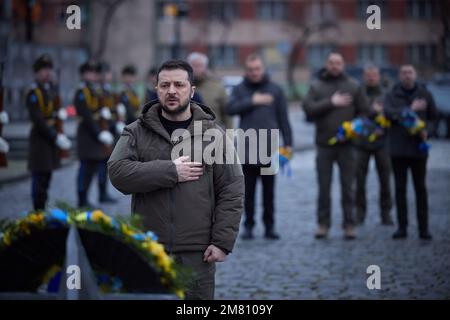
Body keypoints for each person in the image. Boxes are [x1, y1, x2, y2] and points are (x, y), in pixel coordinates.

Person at [108, 60, 244, 300]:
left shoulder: (215, 134)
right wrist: (170, 171)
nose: (171, 91)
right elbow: (118, 173)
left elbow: (232, 188)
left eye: (179, 85)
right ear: (156, 89)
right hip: (149, 248)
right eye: (165, 85)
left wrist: (222, 242)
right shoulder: (135, 131)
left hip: (196, 252)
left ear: (191, 90)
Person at [225, 54, 292, 240]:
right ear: (246, 71)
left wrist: (288, 144)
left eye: (257, 69)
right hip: (247, 149)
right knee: (249, 192)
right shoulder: (239, 89)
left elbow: (284, 118)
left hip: (270, 150)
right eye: (251, 69)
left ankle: (269, 227)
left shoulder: (275, 90)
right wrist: (252, 101)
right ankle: (249, 226)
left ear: (263, 69)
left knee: (269, 192)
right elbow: (229, 109)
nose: (254, 72)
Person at [303, 52, 369, 240]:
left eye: (338, 63)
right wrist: (331, 102)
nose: (334, 66)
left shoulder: (353, 86)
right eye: (331, 62)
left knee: (348, 187)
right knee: (324, 187)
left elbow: (365, 113)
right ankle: (323, 224)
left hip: (348, 146)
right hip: (324, 145)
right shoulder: (317, 86)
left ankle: (349, 225)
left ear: (343, 65)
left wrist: (355, 127)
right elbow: (308, 108)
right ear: (327, 64)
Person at [384, 64, 437, 240]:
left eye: (410, 73)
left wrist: (427, 130)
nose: (407, 76)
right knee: (400, 190)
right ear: (399, 76)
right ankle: (402, 228)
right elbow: (388, 114)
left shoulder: (425, 94)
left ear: (415, 75)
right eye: (404, 73)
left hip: (418, 149)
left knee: (420, 189)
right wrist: (409, 110)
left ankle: (424, 228)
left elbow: (433, 118)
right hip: (398, 150)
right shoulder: (392, 95)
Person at [26, 54, 71, 210]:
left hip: (50, 141)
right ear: (36, 72)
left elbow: (53, 111)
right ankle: (37, 210)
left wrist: (59, 115)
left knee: (47, 177)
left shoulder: (50, 89)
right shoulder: (34, 92)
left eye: (49, 70)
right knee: (39, 177)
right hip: (40, 140)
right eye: (43, 70)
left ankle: (42, 208)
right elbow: (38, 120)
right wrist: (55, 136)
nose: (47, 73)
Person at [354, 65, 393, 225]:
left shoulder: (387, 94)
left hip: (382, 143)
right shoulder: (358, 93)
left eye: (374, 75)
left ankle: (386, 213)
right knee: (359, 181)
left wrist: (383, 128)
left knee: (385, 180)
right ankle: (360, 213)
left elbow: (393, 115)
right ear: (364, 76)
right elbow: (353, 115)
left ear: (378, 76)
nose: (371, 78)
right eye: (368, 75)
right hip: (361, 143)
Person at [74, 61, 115, 208]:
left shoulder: (94, 91)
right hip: (87, 135)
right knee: (85, 168)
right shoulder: (82, 92)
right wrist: (99, 134)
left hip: (96, 135)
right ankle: (81, 198)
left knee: (93, 169)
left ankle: (87, 198)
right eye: (89, 73)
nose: (93, 76)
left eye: (94, 73)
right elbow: (87, 117)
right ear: (83, 74)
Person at [187, 52, 232, 129]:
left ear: (205, 67)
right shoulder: (181, 86)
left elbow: (227, 113)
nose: (196, 69)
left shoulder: (217, 87)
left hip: (213, 132)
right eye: (194, 65)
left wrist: (230, 135)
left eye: (200, 66)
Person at [96, 61, 118, 203]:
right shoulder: (97, 92)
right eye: (103, 73)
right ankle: (101, 193)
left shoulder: (110, 92)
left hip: (110, 131)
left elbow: (113, 111)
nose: (106, 76)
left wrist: (116, 123)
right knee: (100, 165)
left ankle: (104, 192)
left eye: (108, 73)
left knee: (106, 165)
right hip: (100, 132)